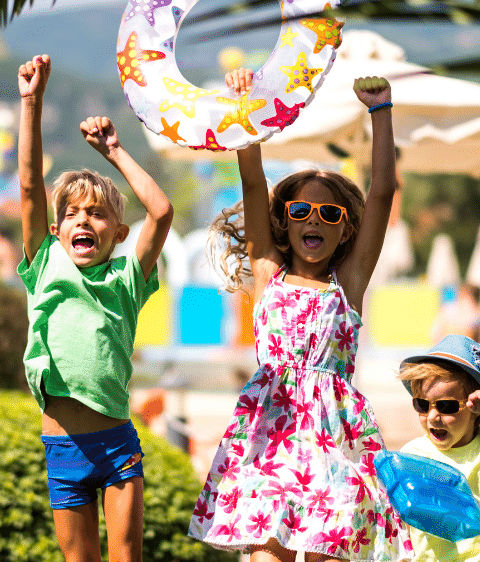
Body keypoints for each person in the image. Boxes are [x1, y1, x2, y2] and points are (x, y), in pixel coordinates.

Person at [189, 70, 413, 562]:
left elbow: (381, 193)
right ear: (283, 222)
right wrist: (243, 105)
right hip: (270, 435)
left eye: (329, 214)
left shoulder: (348, 284)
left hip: (334, 442)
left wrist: (381, 111)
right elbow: (252, 179)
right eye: (301, 210)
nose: (314, 218)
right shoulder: (268, 270)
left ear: (344, 230)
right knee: (265, 554)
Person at [16, 53, 174, 562]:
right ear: (57, 229)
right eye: (72, 213)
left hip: (117, 446)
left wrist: (115, 152)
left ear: (118, 233)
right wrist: (31, 102)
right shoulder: (44, 264)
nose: (83, 219)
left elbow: (162, 210)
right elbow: (26, 187)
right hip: (62, 450)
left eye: (98, 213)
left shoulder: (128, 278)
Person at [398, 334, 480, 561]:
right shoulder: (413, 455)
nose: (432, 416)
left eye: (446, 406)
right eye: (422, 404)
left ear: (476, 409)